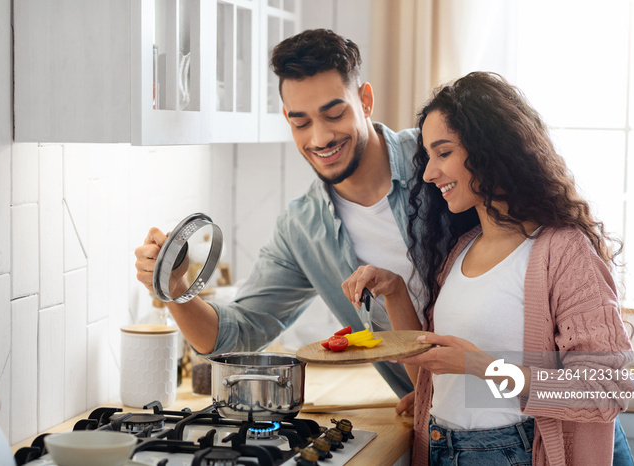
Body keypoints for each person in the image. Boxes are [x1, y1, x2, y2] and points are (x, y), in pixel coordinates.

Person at [342, 72, 634, 465]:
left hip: (512, 452)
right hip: (439, 449)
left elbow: (606, 388)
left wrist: (481, 366)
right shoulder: (462, 250)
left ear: (490, 150)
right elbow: (438, 370)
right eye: (428, 156)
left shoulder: (562, 251)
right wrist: (395, 291)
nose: (429, 174)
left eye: (443, 153)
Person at [134, 29, 424, 409]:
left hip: (508, 398)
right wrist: (174, 286)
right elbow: (235, 336)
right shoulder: (303, 229)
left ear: (365, 100)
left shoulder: (436, 159)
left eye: (334, 114)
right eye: (301, 123)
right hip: (431, 426)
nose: (319, 138)